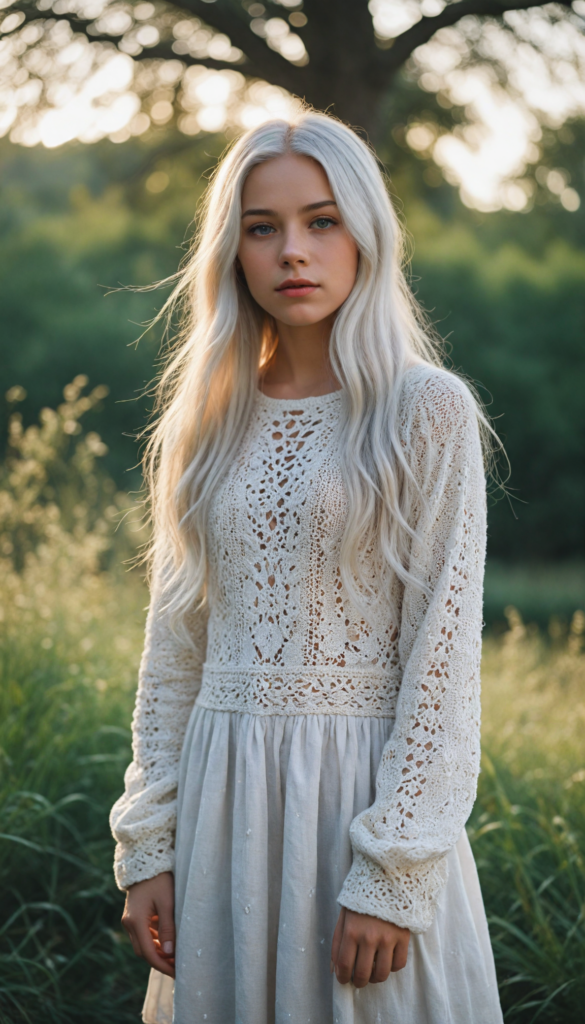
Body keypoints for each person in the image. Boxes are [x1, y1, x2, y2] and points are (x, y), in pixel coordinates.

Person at [110, 109, 504, 1024]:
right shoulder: (204, 422)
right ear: (233, 250)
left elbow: (442, 658)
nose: (294, 250)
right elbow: (174, 653)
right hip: (221, 806)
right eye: (263, 227)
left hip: (356, 802)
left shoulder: (424, 411)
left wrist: (392, 869)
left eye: (321, 221)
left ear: (365, 234)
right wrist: (149, 845)